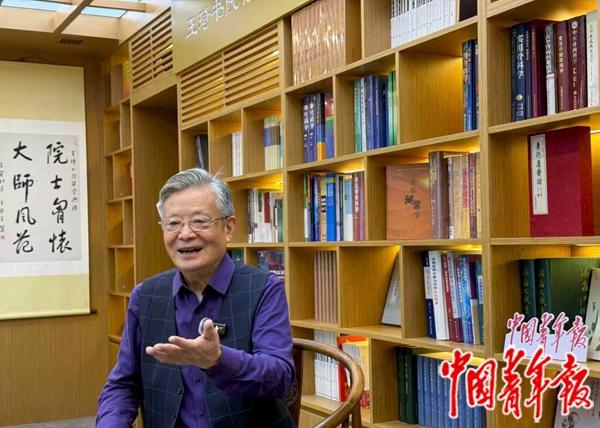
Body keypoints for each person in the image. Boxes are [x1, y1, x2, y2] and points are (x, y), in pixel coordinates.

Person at [97, 168, 295, 428]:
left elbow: (280, 377)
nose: (185, 234)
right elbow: (123, 384)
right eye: (173, 223)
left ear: (228, 227)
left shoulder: (264, 288)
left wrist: (217, 360)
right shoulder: (145, 295)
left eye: (200, 221)